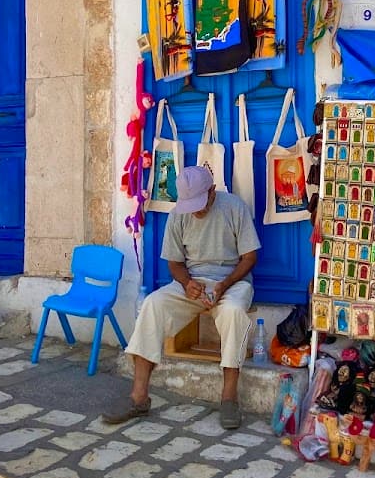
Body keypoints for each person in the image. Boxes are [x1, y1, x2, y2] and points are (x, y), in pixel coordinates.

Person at [104, 165, 260, 430]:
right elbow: (174, 263)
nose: (196, 210)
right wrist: (187, 283)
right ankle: (139, 397)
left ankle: (229, 398)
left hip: (231, 281)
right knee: (153, 304)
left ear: (212, 191)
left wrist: (224, 284)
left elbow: (249, 257)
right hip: (193, 282)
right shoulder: (179, 214)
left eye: (201, 203)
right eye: (191, 204)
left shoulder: (234, 207)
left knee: (233, 312)